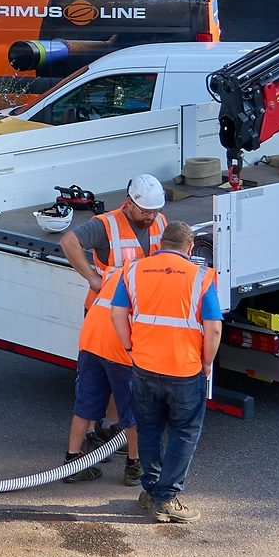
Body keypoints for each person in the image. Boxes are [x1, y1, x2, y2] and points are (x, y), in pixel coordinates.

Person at [108, 220, 225, 522]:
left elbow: (117, 312)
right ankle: (166, 497)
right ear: (189, 248)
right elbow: (212, 328)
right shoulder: (200, 276)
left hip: (145, 366)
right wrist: (207, 361)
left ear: (160, 244)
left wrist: (130, 348)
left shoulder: (134, 271)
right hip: (185, 369)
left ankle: (150, 490)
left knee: (148, 430)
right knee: (183, 433)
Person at [54, 174, 166, 484]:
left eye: (155, 211)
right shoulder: (107, 225)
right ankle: (129, 459)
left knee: (101, 389)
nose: (151, 217)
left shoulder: (158, 221)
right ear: (129, 204)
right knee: (129, 390)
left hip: (115, 322)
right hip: (116, 321)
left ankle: (97, 439)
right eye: (146, 212)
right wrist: (92, 277)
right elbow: (69, 241)